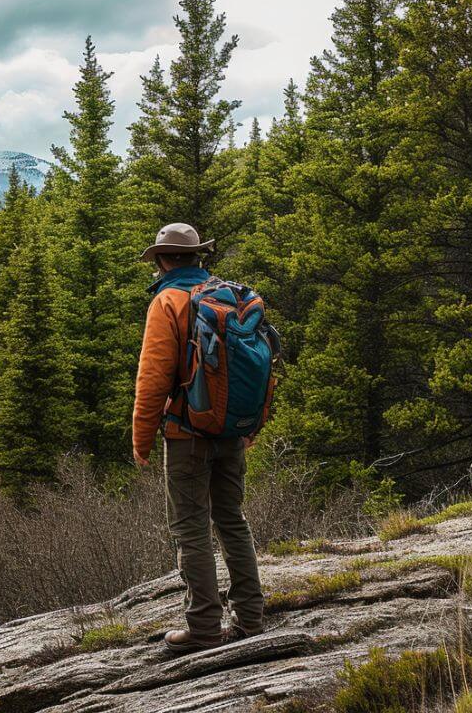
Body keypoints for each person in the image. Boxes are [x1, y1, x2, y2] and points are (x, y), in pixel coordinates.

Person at [132, 222, 265, 654]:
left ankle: (204, 625)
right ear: (197, 256)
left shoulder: (167, 302)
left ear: (164, 260)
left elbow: (153, 379)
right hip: (231, 428)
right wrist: (250, 425)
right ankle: (250, 616)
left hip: (187, 433)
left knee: (191, 527)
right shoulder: (229, 297)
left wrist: (142, 438)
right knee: (231, 519)